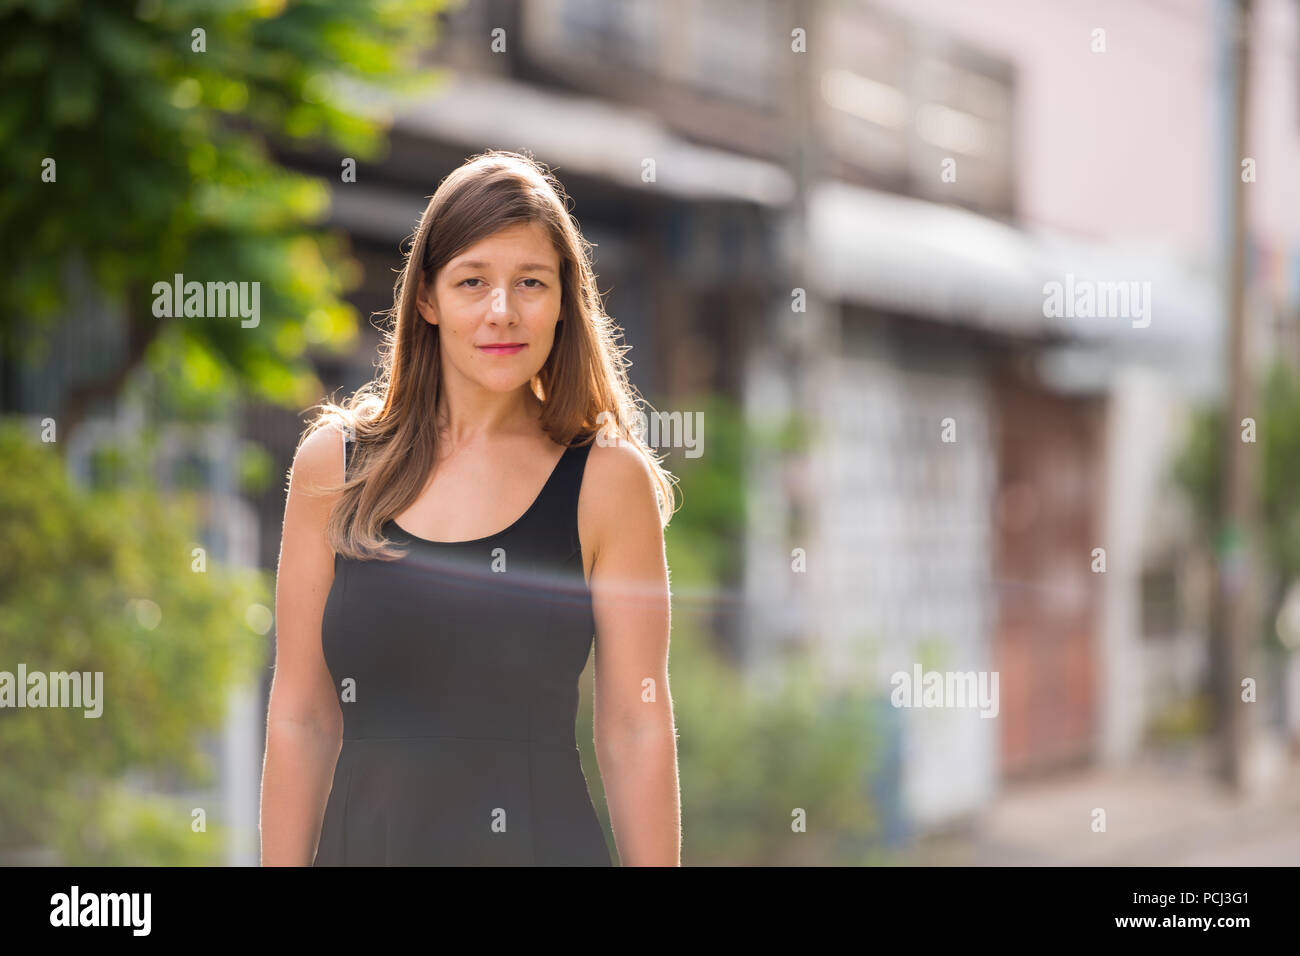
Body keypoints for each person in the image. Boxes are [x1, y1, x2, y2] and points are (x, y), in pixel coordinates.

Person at [260, 150, 680, 865]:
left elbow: (634, 725)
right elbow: (301, 717)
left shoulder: (607, 481)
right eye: (472, 281)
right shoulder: (333, 467)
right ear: (427, 298)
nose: (502, 311)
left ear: (563, 300)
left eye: (531, 283)